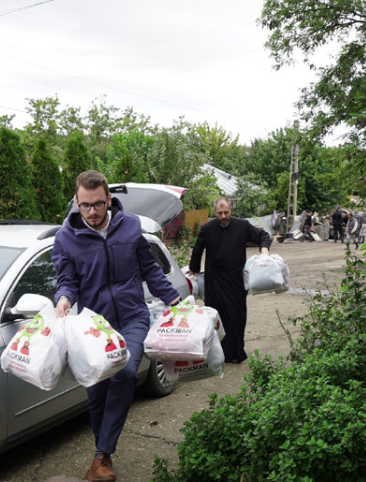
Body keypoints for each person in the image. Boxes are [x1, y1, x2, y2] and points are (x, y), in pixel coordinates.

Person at [51, 170, 180, 482]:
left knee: (123, 372)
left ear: (108, 199)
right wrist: (64, 299)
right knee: (96, 392)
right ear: (77, 203)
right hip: (95, 326)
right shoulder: (66, 239)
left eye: (98, 204)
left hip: (133, 316)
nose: (92, 212)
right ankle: (103, 455)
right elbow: (67, 281)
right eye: (85, 206)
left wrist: (175, 300)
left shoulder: (131, 227)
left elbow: (150, 269)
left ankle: (101, 454)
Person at [188, 197, 271, 364]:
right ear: (215, 213)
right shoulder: (207, 228)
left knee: (237, 317)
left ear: (231, 211)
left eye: (226, 212)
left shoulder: (242, 225)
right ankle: (219, 354)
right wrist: (194, 269)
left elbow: (263, 235)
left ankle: (236, 352)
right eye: (220, 213)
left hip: (236, 281)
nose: (224, 216)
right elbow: (198, 250)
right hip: (215, 281)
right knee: (217, 318)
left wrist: (264, 252)